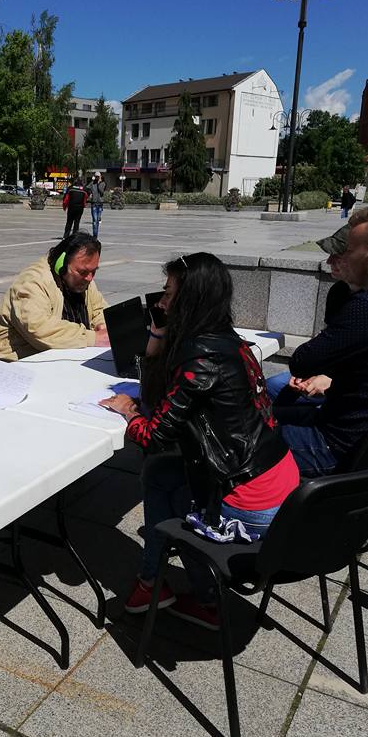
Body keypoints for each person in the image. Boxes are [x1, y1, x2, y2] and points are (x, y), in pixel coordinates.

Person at [100, 253, 299, 629]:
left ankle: (198, 598)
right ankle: (151, 583)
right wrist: (159, 333)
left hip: (251, 506)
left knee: (162, 482)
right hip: (278, 482)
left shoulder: (199, 358)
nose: (160, 303)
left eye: (168, 294)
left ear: (189, 300)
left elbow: (154, 435)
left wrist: (128, 411)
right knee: (159, 475)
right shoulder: (229, 341)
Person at [279, 203, 368, 477]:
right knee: (265, 414)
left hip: (335, 446)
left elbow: (302, 362)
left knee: (230, 439)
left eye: (348, 250)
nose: (339, 258)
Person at [0, 233, 110, 369]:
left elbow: (98, 308)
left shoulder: (84, 280)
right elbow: (38, 328)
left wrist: (102, 325)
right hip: (9, 361)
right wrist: (93, 338)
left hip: (54, 356)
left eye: (93, 271)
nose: (89, 278)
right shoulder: (33, 282)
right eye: (83, 272)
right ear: (61, 265)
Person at [266, 223, 355, 406]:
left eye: (338, 256)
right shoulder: (339, 291)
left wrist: (332, 379)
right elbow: (327, 343)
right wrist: (312, 373)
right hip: (329, 372)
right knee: (272, 386)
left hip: (351, 387)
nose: (329, 262)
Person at [87, 171, 106, 238]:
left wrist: (98, 183)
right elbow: (87, 188)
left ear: (100, 176)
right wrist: (90, 193)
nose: (97, 178)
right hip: (94, 203)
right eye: (96, 176)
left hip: (100, 204)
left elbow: (101, 192)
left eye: (98, 176)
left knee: (97, 220)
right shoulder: (92, 183)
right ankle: (95, 235)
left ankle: (95, 234)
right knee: (95, 221)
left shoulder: (103, 183)